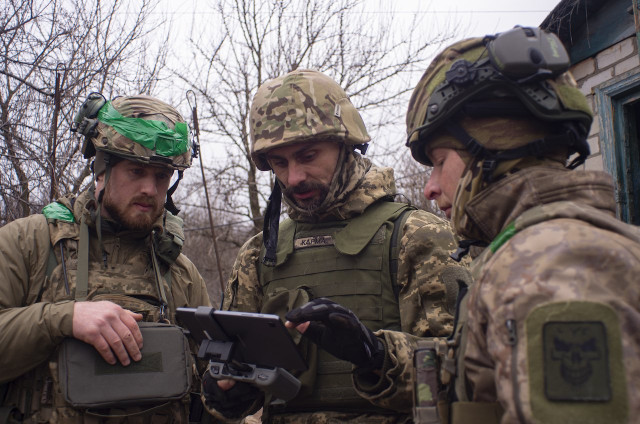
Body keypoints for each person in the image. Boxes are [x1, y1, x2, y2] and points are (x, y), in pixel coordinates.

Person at [371, 26, 640, 424]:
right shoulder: (536, 248)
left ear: (493, 148)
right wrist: (373, 355)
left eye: (440, 161)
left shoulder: (553, 262)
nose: (429, 188)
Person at [202, 69, 471, 423]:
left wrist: (375, 355)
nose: (294, 177)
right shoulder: (259, 253)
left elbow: (461, 377)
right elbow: (238, 394)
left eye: (308, 155)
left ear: (346, 146)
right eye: (280, 163)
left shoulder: (417, 235)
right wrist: (226, 390)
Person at [0, 94, 212, 422]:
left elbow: (209, 388)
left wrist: (230, 395)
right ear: (101, 168)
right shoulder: (31, 242)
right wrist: (62, 318)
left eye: (161, 175)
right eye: (136, 171)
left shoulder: (179, 271)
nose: (150, 189)